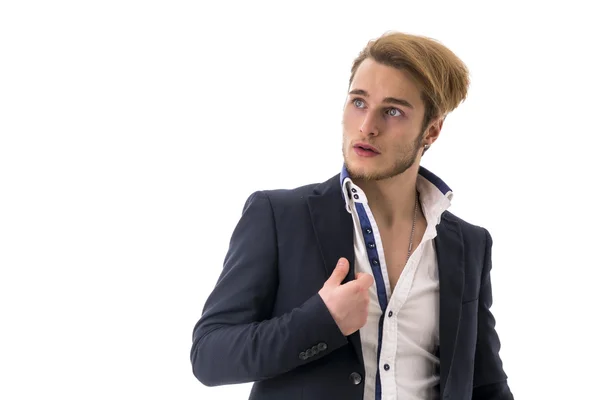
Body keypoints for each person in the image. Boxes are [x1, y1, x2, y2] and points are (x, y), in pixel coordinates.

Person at [190, 31, 514, 400]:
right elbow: (209, 355)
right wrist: (319, 321)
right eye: (359, 102)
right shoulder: (280, 217)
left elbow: (485, 383)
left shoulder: (469, 244)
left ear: (432, 130)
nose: (367, 126)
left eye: (392, 111)